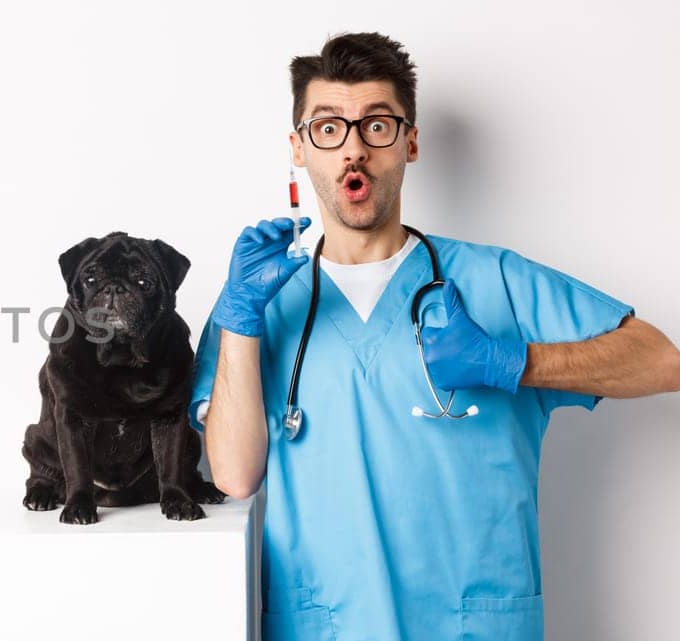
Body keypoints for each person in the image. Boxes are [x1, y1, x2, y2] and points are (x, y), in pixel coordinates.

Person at [188, 32, 680, 641]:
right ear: (298, 148)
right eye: (328, 128)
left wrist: (511, 362)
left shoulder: (493, 280)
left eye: (377, 126)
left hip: (473, 626)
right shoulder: (260, 299)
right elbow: (233, 476)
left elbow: (661, 360)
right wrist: (239, 319)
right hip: (327, 626)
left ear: (410, 142)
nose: (353, 150)